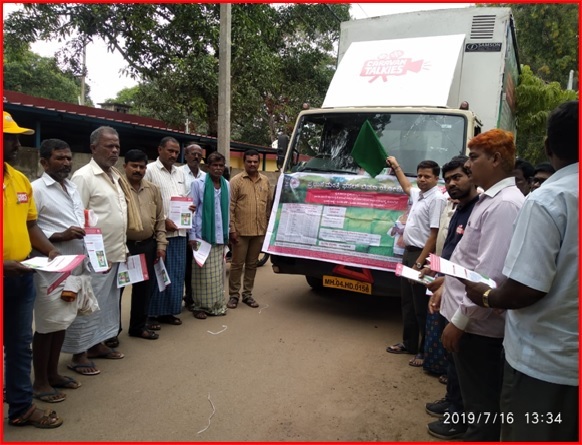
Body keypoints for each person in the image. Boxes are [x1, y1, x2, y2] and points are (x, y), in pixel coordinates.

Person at [463, 101, 578, 442]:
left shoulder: (548, 199)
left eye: (473, 158)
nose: (468, 166)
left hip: (547, 362)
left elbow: (526, 288)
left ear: (548, 147)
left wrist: (485, 297)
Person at [439, 129, 524, 441]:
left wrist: (460, 321)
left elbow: (489, 278)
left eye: (474, 158)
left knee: (481, 407)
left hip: (478, 329)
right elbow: (469, 260)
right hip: (470, 320)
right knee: (474, 399)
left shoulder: (504, 206)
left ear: (497, 159)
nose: (469, 165)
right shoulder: (491, 201)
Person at [3, 112, 63, 428]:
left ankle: (21, 407)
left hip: (20, 277)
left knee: (19, 346)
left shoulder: (19, 179)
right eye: (8, 137)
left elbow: (31, 226)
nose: (15, 143)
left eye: (15, 137)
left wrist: (50, 249)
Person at [421, 155, 480, 440]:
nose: (452, 184)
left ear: (471, 175)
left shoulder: (479, 210)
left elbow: (478, 266)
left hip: (466, 304)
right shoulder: (459, 208)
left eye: (458, 177)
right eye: (448, 180)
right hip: (449, 290)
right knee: (454, 359)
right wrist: (443, 282)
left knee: (464, 362)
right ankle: (451, 400)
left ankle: (458, 415)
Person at [66, 126, 130, 374]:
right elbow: (75, 217)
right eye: (109, 146)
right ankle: (79, 354)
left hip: (113, 252)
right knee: (87, 305)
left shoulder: (115, 175)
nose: (114, 151)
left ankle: (97, 345)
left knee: (105, 304)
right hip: (92, 256)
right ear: (93, 148)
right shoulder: (84, 177)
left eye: (117, 146)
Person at [31, 139, 89, 404]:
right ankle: (40, 382)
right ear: (44, 162)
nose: (66, 163)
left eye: (68, 158)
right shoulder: (36, 190)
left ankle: (53, 373)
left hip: (73, 266)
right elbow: (28, 229)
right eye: (59, 158)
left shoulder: (72, 187)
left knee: (63, 320)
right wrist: (61, 235)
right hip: (49, 268)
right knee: (46, 325)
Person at [385, 156, 446, 367]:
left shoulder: (437, 198)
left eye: (426, 176)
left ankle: (423, 350)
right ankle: (408, 343)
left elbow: (434, 235)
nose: (421, 179)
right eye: (419, 175)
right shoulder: (419, 195)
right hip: (409, 253)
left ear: (436, 179)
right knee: (407, 302)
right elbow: (406, 185)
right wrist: (396, 165)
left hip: (422, 256)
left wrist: (419, 263)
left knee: (421, 305)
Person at [144, 137, 189, 327]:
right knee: (158, 274)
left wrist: (189, 208)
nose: (173, 155)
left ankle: (169, 311)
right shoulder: (149, 171)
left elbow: (185, 197)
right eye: (170, 151)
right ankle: (152, 314)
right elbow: (146, 203)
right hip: (159, 234)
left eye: (176, 152)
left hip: (179, 233)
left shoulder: (180, 173)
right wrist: (163, 222)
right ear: (160, 149)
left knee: (176, 273)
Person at [123, 149, 168, 340]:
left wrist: (161, 245)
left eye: (142, 166)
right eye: (134, 166)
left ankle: (138, 327)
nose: (138, 170)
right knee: (118, 290)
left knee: (144, 288)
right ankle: (111, 333)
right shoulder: (118, 187)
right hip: (125, 246)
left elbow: (160, 219)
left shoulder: (153, 189)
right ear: (125, 166)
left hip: (147, 246)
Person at [227, 149, 274, 310]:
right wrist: (232, 229)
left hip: (259, 231)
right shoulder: (236, 181)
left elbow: (268, 206)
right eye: (249, 161)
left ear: (259, 163)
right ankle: (234, 295)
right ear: (244, 162)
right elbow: (230, 207)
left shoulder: (265, 181)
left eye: (255, 161)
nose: (252, 164)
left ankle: (247, 294)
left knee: (252, 265)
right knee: (236, 265)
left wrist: (267, 228)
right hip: (240, 232)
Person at [189, 152, 230, 319]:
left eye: (221, 165)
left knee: (217, 274)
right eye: (215, 165)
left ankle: (216, 305)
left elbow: (226, 211)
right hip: (202, 236)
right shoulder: (197, 184)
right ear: (208, 167)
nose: (218, 168)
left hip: (220, 236)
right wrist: (192, 235)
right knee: (202, 275)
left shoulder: (227, 185)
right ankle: (199, 306)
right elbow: (191, 210)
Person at [180, 144, 206, 310]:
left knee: (195, 265)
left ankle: (192, 296)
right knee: (182, 266)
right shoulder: (178, 173)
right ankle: (181, 297)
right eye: (193, 154)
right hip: (181, 227)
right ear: (186, 154)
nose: (196, 157)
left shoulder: (205, 176)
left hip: (198, 228)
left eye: (199, 154)